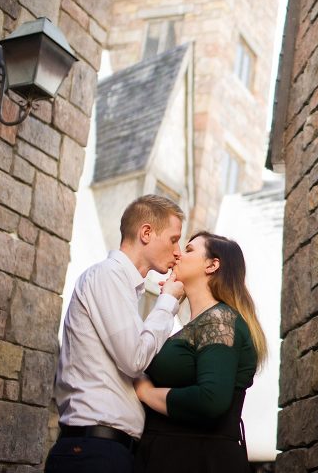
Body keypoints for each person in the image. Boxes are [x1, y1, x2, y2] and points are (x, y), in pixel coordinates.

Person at [46, 195, 186, 473]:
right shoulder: (106, 276)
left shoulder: (123, 288)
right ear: (146, 233)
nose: (178, 251)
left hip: (107, 451)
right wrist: (168, 302)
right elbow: (134, 358)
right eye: (173, 239)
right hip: (92, 453)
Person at [132, 231, 267, 473]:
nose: (178, 255)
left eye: (189, 250)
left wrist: (147, 393)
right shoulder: (202, 323)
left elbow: (211, 399)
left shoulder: (219, 320)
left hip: (196, 458)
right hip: (172, 454)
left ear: (212, 265)